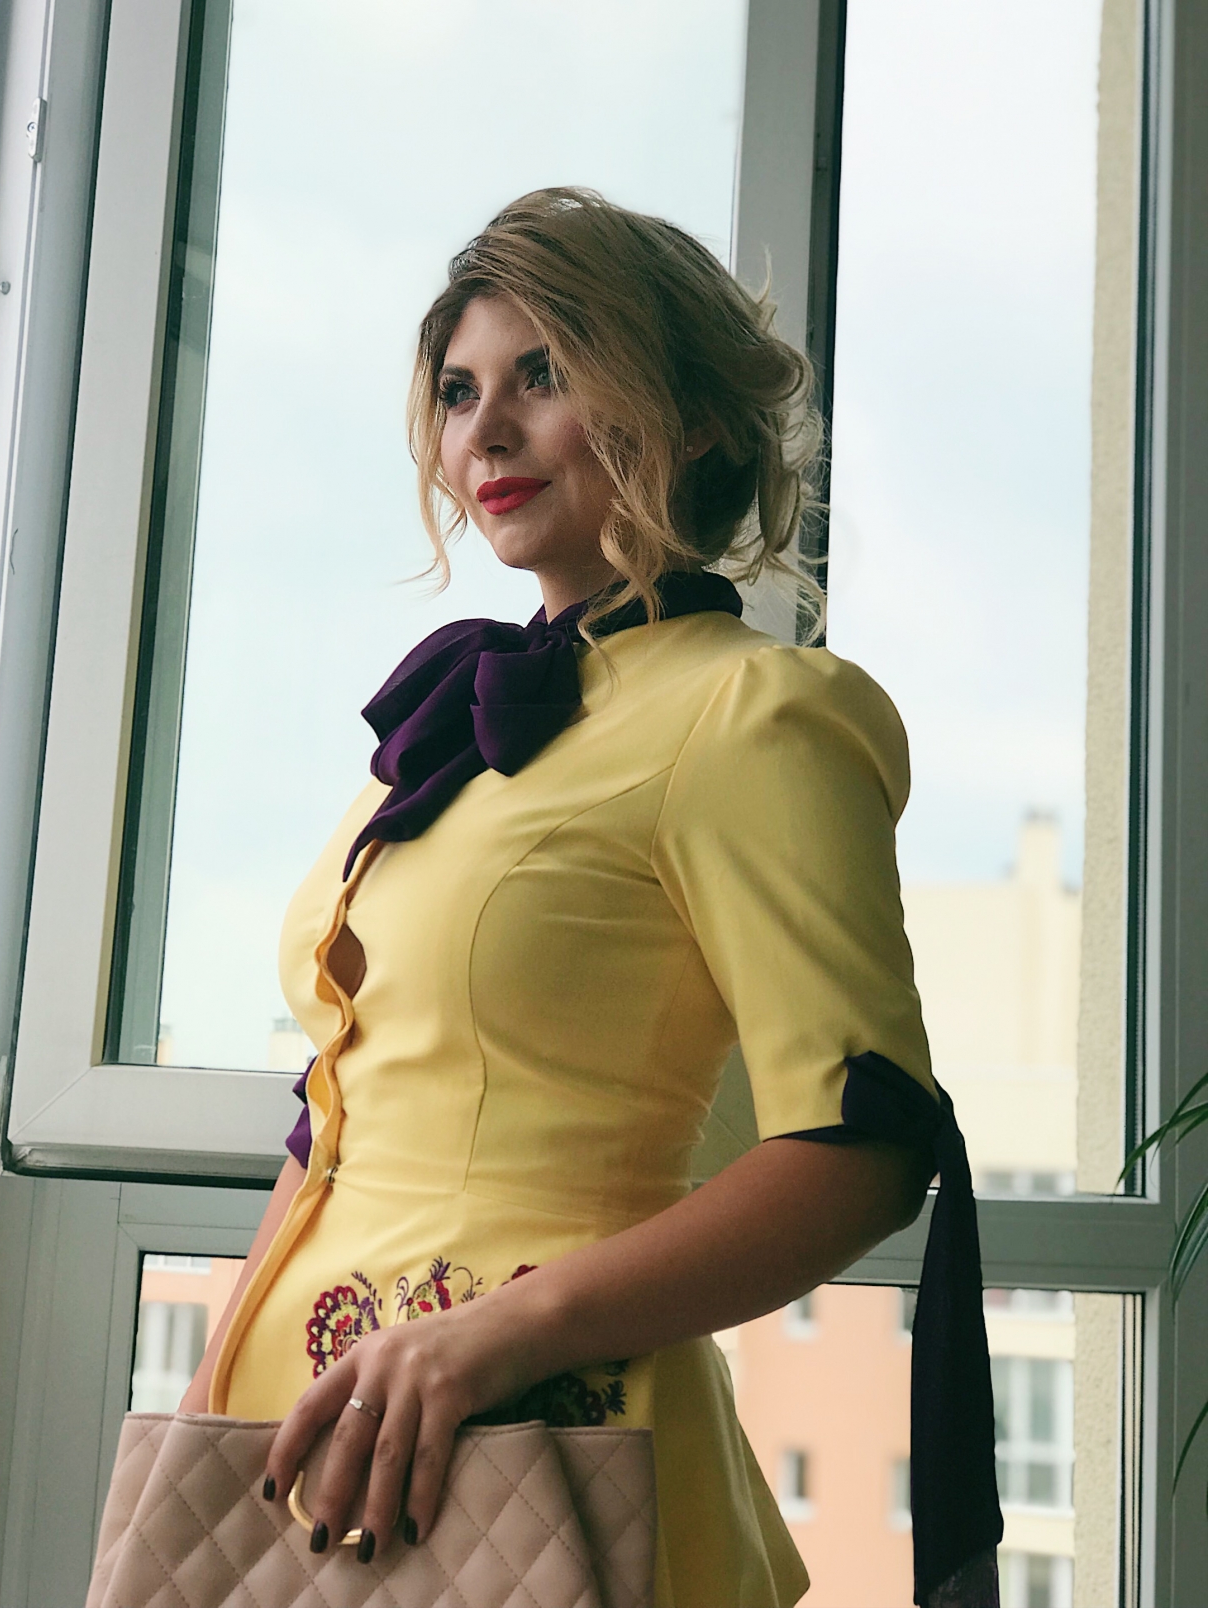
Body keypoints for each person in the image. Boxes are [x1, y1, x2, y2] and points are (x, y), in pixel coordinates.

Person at [180, 187, 938, 1608]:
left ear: (689, 417)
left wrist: (493, 1336)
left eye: (544, 374)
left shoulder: (754, 716)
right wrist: (212, 1393)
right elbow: (333, 1110)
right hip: (300, 1449)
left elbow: (865, 1150)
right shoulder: (446, 736)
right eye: (460, 391)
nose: (487, 431)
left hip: (541, 1445)